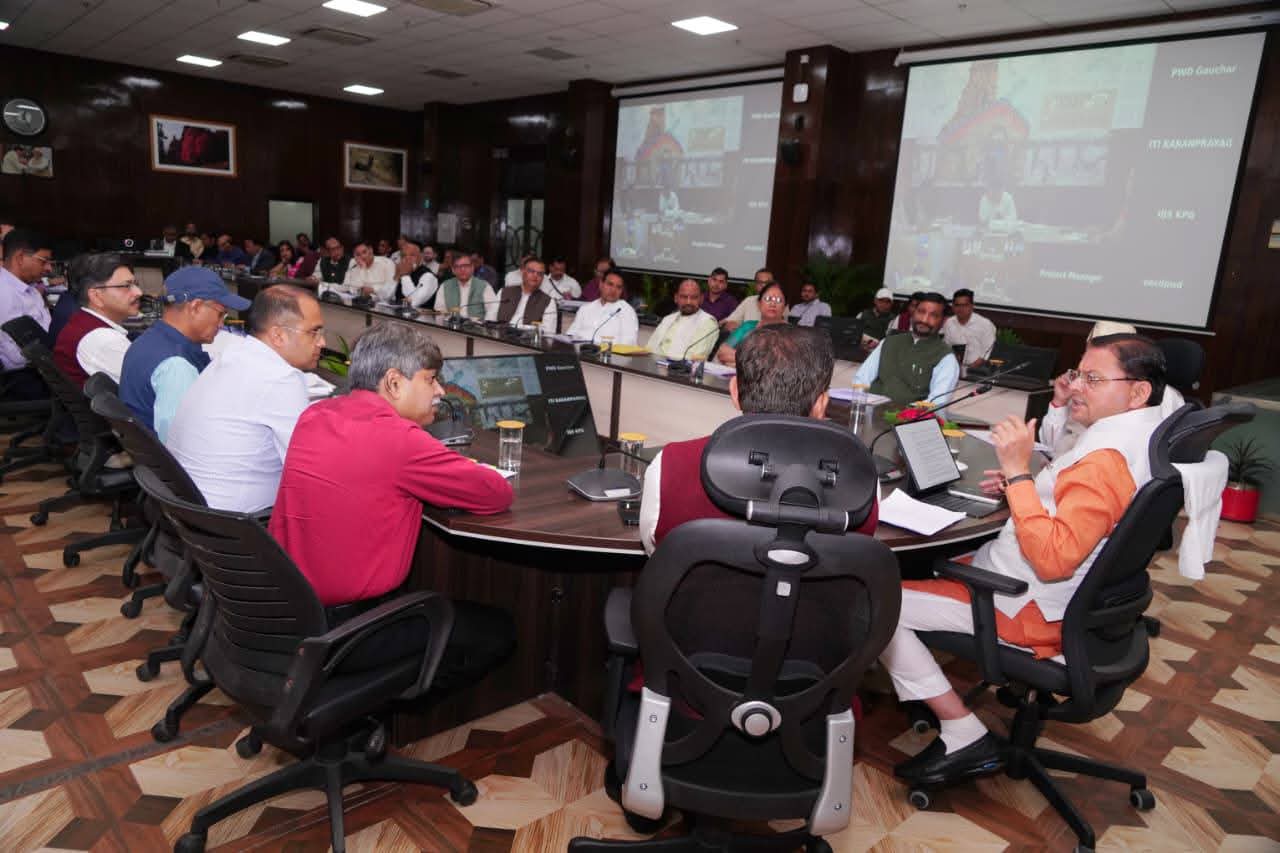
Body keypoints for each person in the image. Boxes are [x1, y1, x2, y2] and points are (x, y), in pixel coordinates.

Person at [882, 334, 1168, 787]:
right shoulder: (1136, 440)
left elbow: (1053, 560)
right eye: (1078, 375)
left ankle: (962, 733)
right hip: (1062, 599)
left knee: (876, 603)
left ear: (1138, 392)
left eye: (1094, 379)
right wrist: (1021, 489)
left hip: (1025, 605)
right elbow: (1073, 512)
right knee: (927, 558)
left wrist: (1018, 472)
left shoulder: (1105, 462)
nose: (1077, 387)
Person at [268, 321, 516, 682]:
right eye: (430, 379)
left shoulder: (315, 415)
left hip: (286, 609)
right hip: (348, 630)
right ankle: (392, 697)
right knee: (498, 630)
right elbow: (496, 493)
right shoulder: (399, 440)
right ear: (394, 383)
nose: (440, 391)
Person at [641, 324, 877, 553]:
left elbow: (657, 552)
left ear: (735, 391)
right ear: (821, 405)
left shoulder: (669, 465)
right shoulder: (862, 480)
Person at [166, 286, 323, 513]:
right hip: (234, 520)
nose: (322, 342)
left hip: (186, 504)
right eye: (313, 332)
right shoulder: (280, 378)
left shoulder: (232, 354)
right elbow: (310, 470)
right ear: (278, 335)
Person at [119, 267, 250, 439]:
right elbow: (182, 442)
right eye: (220, 315)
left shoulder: (149, 340)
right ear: (195, 307)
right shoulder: (177, 367)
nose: (221, 325)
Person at [853, 291, 958, 405]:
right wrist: (861, 407)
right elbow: (862, 380)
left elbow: (937, 402)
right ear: (913, 312)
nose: (924, 320)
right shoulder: (888, 342)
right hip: (869, 409)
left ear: (943, 320)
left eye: (933, 315)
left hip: (909, 415)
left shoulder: (945, 357)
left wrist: (903, 413)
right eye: (921, 312)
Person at [53, 253, 140, 387]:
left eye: (135, 284)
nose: (138, 292)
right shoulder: (104, 340)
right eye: (126, 286)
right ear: (96, 296)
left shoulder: (84, 320)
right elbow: (149, 389)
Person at [0, 229, 54, 397]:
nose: (49, 268)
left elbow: (48, 331)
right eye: (44, 261)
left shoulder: (31, 290)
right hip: (23, 378)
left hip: (45, 368)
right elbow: (15, 357)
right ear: (20, 257)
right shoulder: (4, 293)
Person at [716, 280, 787, 366]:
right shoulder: (748, 326)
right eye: (768, 299)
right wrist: (750, 362)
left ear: (784, 307)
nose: (773, 304)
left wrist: (740, 362)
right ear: (759, 304)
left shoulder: (791, 334)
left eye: (779, 300)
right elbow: (722, 352)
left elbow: (778, 364)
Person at [649, 279, 719, 361]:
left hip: (679, 368)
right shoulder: (668, 319)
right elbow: (650, 347)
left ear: (701, 299)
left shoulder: (708, 322)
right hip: (653, 363)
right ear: (676, 298)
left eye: (694, 297)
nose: (688, 302)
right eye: (684, 297)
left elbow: (695, 358)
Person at [565, 270, 638, 345]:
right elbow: (570, 336)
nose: (613, 290)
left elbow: (628, 344)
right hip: (580, 350)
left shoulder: (626, 311)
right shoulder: (585, 309)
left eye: (618, 287)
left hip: (607, 351)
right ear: (601, 284)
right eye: (610, 284)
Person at [942, 288, 996, 371]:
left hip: (979, 371)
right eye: (957, 305)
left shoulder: (985, 324)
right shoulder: (949, 323)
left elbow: (986, 354)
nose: (960, 309)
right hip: (953, 368)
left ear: (972, 306)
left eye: (964, 305)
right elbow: (946, 348)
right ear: (952, 306)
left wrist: (967, 369)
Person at [495, 256, 557, 328]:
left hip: (528, 334)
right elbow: (490, 320)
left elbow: (548, 330)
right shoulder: (504, 292)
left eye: (540, 274)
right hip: (500, 333)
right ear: (523, 272)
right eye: (532, 271)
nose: (535, 276)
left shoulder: (548, 301)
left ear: (543, 278)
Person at [436, 253, 488, 319]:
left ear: (472, 268)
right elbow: (439, 310)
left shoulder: (484, 286)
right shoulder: (445, 286)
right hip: (450, 324)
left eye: (466, 266)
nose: (462, 269)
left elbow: (492, 311)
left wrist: (486, 324)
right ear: (453, 270)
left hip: (477, 325)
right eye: (458, 266)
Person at [393, 241, 439, 309]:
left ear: (420, 257)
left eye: (412, 255)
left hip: (418, 315)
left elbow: (413, 302)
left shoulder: (428, 276)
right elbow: (383, 297)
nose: (407, 258)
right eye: (404, 256)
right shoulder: (400, 271)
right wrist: (396, 278)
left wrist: (405, 275)